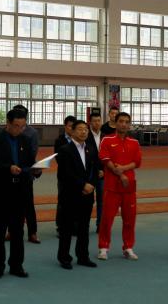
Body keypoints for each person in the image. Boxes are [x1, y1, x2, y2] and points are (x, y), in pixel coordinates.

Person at [0, 108, 36, 279]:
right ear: (7, 123)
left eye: (23, 126)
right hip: (2, 191)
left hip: (20, 192)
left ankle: (16, 265)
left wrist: (36, 170)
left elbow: (30, 162)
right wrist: (8, 168)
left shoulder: (26, 140)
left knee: (18, 231)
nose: (19, 129)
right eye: (16, 126)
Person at [98, 111, 142, 261]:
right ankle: (103, 248)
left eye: (126, 122)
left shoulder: (134, 143)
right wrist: (119, 173)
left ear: (129, 125)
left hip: (129, 186)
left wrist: (123, 169)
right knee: (107, 218)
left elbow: (137, 162)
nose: (124, 124)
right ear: (115, 123)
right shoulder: (106, 140)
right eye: (121, 121)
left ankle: (128, 247)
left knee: (130, 219)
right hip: (112, 186)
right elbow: (105, 159)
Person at [55, 119, 99, 270]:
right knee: (66, 228)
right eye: (80, 129)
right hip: (70, 194)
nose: (83, 132)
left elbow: (95, 170)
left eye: (85, 129)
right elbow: (65, 173)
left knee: (84, 227)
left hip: (87, 195)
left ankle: (83, 256)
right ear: (72, 132)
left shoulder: (91, 149)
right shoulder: (64, 150)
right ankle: (64, 257)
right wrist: (82, 185)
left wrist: (92, 184)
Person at [12, 105, 41, 244]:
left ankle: (32, 232)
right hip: (11, 174)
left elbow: (33, 152)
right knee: (12, 205)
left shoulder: (32, 133)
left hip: (26, 173)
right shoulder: (8, 133)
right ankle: (11, 231)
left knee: (29, 205)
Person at [87, 111, 106, 234]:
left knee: (102, 201)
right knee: (88, 201)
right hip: (89, 174)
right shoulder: (85, 136)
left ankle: (100, 225)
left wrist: (103, 171)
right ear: (90, 122)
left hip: (102, 174)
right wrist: (95, 170)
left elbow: (108, 155)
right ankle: (84, 224)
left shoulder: (105, 137)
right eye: (94, 121)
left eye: (99, 121)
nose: (97, 123)